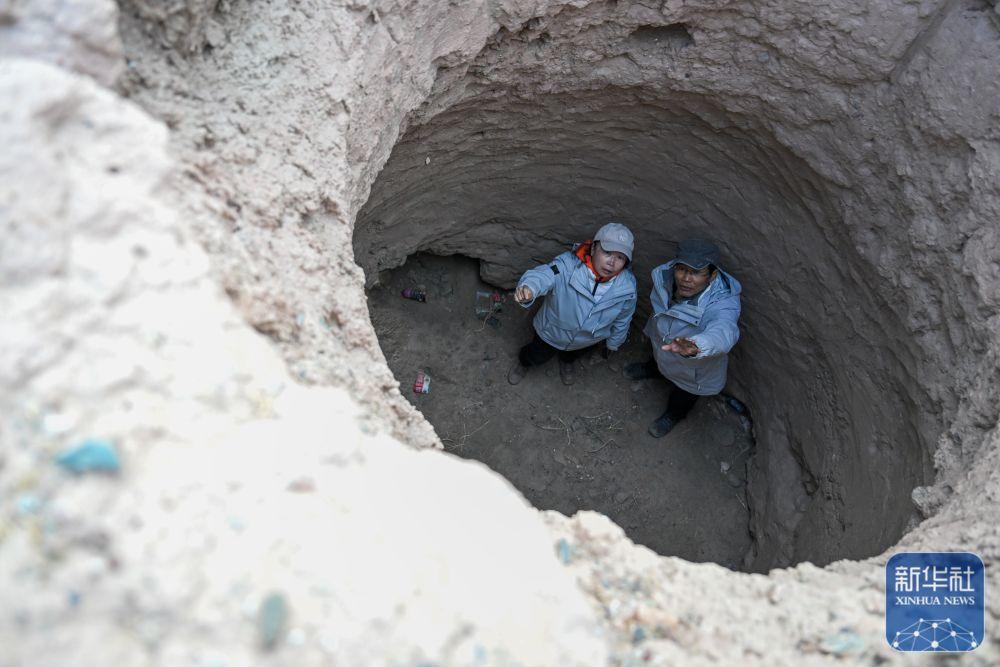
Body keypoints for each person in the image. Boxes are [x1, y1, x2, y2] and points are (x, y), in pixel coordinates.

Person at [624, 239, 742, 437]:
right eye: (682, 269)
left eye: (696, 272)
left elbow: (724, 330)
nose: (686, 279)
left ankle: (674, 415)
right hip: (665, 344)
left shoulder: (723, 302)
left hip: (694, 367)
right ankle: (653, 369)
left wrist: (698, 345)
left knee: (684, 396)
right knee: (659, 356)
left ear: (712, 275)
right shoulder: (665, 278)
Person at [508, 222, 638, 386]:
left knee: (572, 355)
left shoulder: (627, 289)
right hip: (551, 333)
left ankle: (567, 362)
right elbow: (547, 274)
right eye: (607, 252)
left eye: (620, 257)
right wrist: (530, 287)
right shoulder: (567, 266)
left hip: (586, 340)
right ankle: (525, 362)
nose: (612, 262)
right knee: (536, 354)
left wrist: (613, 343)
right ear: (593, 248)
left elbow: (623, 319)